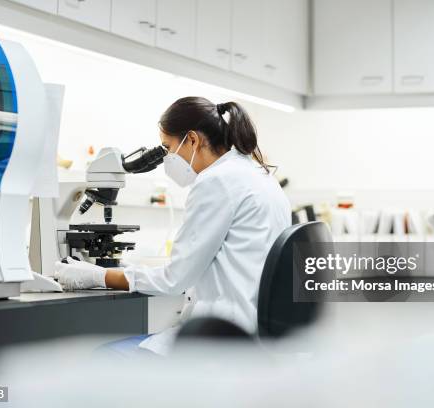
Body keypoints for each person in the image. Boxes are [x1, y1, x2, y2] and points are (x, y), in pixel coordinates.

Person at [54, 97, 291, 355]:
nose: (167, 157)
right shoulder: (260, 175)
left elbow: (174, 280)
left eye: (167, 148)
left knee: (103, 356)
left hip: (220, 337)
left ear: (192, 140)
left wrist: (96, 276)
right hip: (257, 332)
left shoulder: (216, 181)